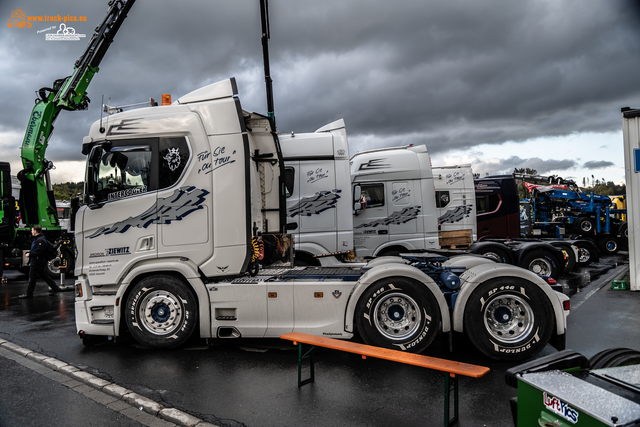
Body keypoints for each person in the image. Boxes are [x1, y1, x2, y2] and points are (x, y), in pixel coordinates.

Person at [18, 225, 61, 299]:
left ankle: (29, 293)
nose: (31, 231)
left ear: (36, 231)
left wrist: (30, 254)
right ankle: (55, 288)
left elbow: (40, 251)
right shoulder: (38, 239)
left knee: (32, 277)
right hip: (38, 260)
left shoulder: (40, 240)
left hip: (37, 261)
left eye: (32, 230)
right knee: (43, 275)